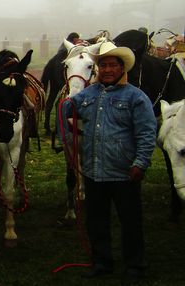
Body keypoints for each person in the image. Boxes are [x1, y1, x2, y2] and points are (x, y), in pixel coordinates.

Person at [62, 42, 157, 285]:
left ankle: (135, 265)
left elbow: (147, 134)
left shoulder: (136, 97)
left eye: (112, 65)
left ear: (122, 68)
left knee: (130, 222)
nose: (106, 69)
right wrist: (66, 103)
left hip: (125, 172)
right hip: (94, 171)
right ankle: (102, 262)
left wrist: (141, 163)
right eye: (102, 65)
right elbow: (68, 107)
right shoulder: (90, 94)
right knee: (97, 221)